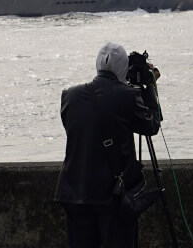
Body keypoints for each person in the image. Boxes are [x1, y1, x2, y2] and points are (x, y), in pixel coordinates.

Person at [55, 43, 161, 248]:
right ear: (123, 68)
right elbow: (152, 126)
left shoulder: (69, 95)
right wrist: (150, 88)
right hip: (112, 196)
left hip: (74, 192)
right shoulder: (128, 96)